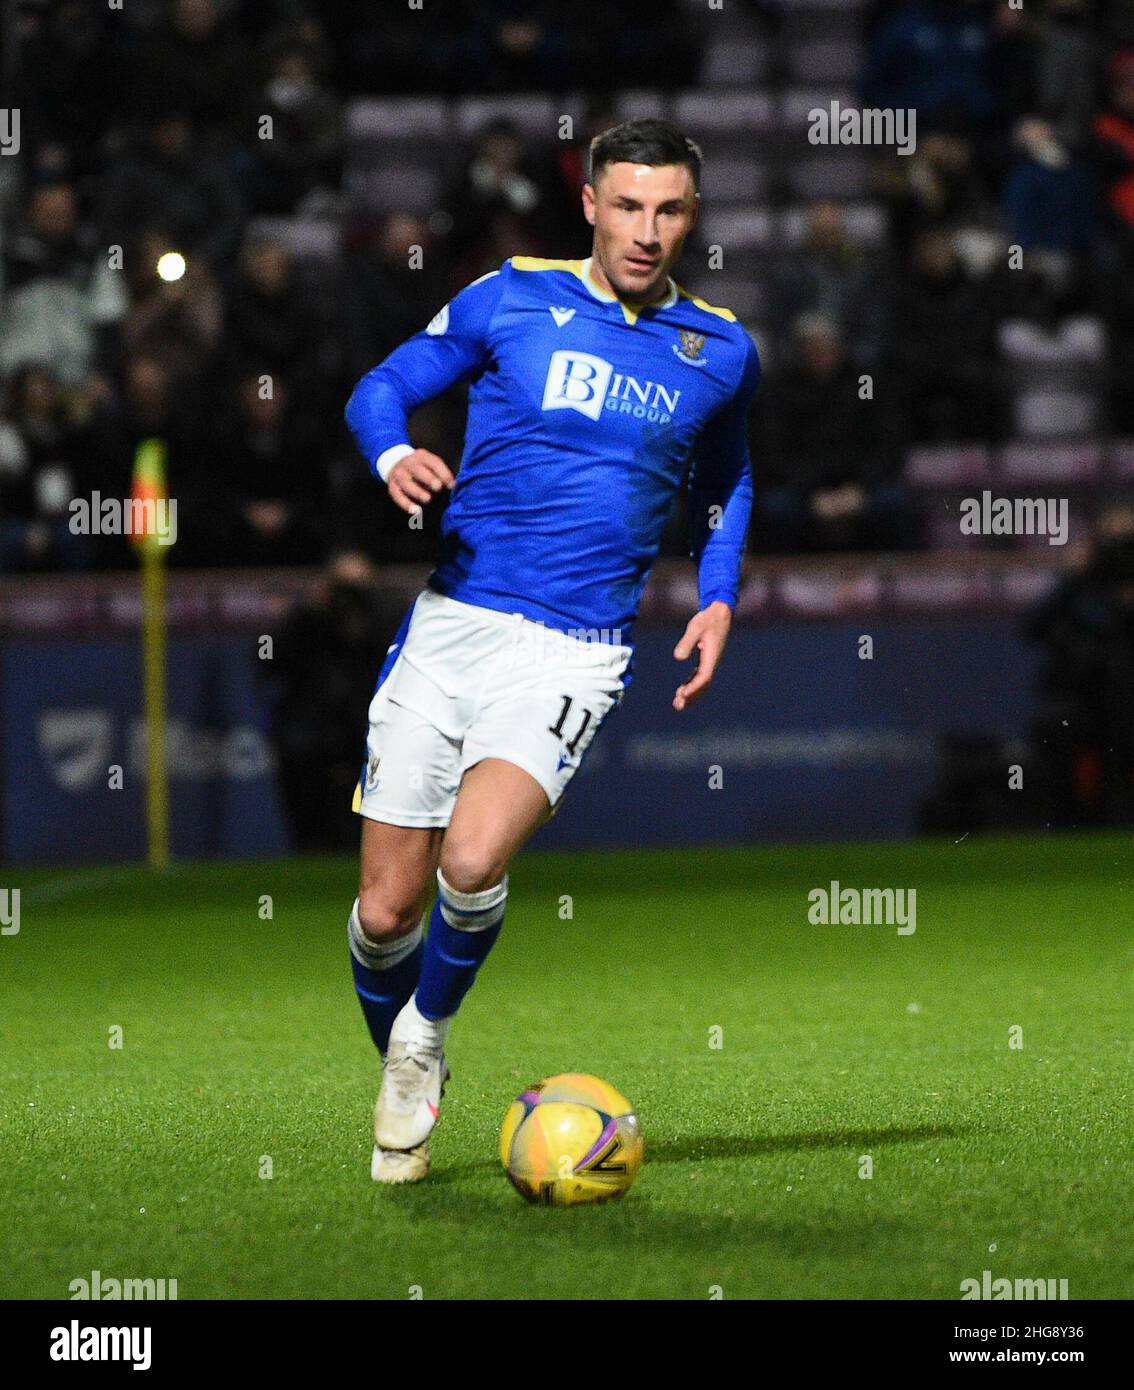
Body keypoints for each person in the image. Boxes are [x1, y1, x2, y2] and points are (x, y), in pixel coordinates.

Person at [342, 118, 760, 1183]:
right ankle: (397, 1046)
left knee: (474, 860)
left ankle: (427, 1035)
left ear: (691, 215)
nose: (646, 230)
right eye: (627, 205)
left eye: (668, 209)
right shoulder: (511, 295)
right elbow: (378, 386)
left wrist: (716, 597)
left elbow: (728, 480)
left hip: (574, 648)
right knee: (386, 908)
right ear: (588, 202)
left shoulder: (718, 348)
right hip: (451, 623)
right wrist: (394, 453)